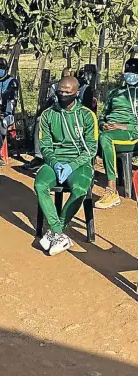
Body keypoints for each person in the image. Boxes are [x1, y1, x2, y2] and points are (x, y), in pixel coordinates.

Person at [35, 76, 97, 255]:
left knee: (79, 189)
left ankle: (56, 230)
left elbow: (91, 149)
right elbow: (45, 146)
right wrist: (54, 163)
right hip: (54, 160)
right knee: (40, 184)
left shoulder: (86, 115)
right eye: (60, 91)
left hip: (79, 162)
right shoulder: (48, 114)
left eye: (67, 92)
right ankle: (58, 232)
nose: (62, 95)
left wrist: (71, 165)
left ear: (76, 93)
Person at [95, 58, 138, 209]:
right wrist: (103, 124)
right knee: (89, 137)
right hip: (110, 132)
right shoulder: (115, 93)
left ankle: (112, 190)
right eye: (128, 72)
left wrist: (120, 126)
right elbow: (103, 115)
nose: (130, 75)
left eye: (134, 73)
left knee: (106, 139)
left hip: (131, 134)